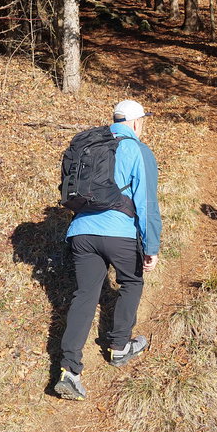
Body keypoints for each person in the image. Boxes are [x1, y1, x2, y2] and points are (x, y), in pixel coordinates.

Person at [54, 100, 162, 401]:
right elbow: (147, 203)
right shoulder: (138, 150)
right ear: (137, 122)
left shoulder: (90, 144)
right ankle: (119, 346)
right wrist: (151, 246)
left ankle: (69, 371)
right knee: (131, 281)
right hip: (120, 233)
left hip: (81, 233)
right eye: (144, 121)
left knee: (85, 296)